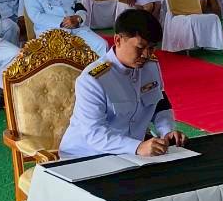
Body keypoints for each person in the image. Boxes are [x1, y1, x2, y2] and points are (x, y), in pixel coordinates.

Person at [58, 9, 187, 158]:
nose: (146, 55)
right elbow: (95, 134)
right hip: (86, 156)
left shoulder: (151, 67)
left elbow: (159, 103)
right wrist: (137, 147)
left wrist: (167, 131)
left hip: (131, 154)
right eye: (140, 47)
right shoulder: (93, 80)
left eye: (151, 48)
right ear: (118, 40)